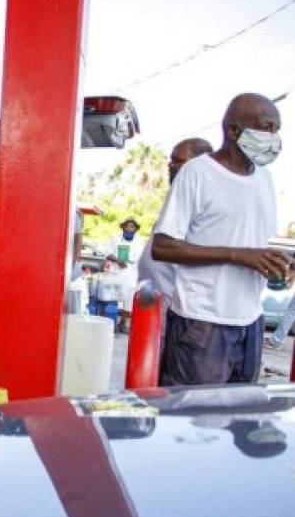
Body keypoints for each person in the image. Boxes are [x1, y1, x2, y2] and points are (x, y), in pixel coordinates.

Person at [152, 93, 286, 386]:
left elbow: (252, 242)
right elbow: (162, 246)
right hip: (202, 323)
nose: (273, 138)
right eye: (266, 128)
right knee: (191, 424)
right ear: (234, 131)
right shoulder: (197, 173)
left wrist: (276, 262)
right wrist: (239, 255)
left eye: (277, 130)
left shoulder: (264, 179)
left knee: (236, 423)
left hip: (250, 322)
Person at [138, 138, 213, 304]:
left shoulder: (204, 202)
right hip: (155, 301)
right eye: (171, 161)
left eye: (178, 161)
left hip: (175, 305)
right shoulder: (176, 199)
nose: (171, 166)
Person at [104, 217, 145, 332]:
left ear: (136, 229)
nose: (129, 228)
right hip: (116, 272)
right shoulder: (115, 238)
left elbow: (141, 257)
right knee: (112, 298)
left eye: (132, 226)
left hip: (131, 273)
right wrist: (117, 260)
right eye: (127, 226)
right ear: (123, 227)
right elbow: (107, 253)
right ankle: (111, 323)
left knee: (129, 300)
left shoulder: (140, 241)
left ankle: (123, 323)